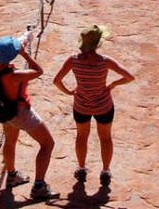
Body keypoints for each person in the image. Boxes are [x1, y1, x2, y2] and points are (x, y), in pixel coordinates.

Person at [52, 25, 135, 186]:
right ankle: (105, 171)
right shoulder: (105, 61)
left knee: (82, 136)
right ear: (98, 44)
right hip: (103, 105)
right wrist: (113, 84)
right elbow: (129, 77)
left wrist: (69, 92)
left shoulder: (73, 60)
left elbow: (56, 81)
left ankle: (81, 169)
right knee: (105, 137)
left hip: (81, 105)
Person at [0, 35, 59, 200]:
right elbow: (39, 71)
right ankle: (39, 187)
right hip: (20, 113)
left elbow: (8, 48)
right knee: (48, 144)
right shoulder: (14, 76)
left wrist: (24, 39)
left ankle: (12, 175)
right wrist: (25, 55)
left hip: (4, 110)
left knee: (10, 142)